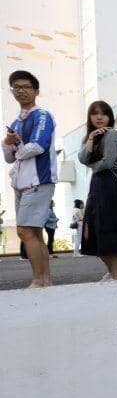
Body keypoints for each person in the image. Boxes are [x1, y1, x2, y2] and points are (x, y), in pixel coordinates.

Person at [2, 70, 57, 288]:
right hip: (20, 183)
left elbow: (38, 146)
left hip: (39, 180)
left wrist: (18, 147)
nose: (21, 91)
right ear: (12, 91)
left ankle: (38, 279)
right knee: (34, 232)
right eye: (16, 87)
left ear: (36, 90)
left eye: (26, 87)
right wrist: (8, 141)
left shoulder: (42, 115)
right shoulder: (15, 123)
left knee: (24, 231)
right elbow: (8, 157)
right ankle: (45, 281)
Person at [78, 100, 117, 280]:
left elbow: (107, 162)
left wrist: (92, 164)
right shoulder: (94, 136)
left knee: (109, 230)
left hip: (111, 186)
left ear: (110, 117)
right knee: (92, 232)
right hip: (97, 187)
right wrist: (91, 138)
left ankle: (116, 275)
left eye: (103, 113)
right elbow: (82, 158)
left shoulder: (112, 134)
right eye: (95, 113)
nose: (99, 117)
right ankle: (115, 274)